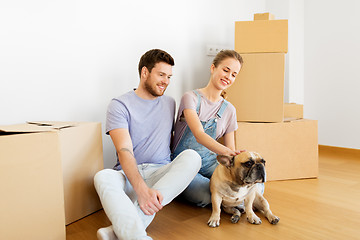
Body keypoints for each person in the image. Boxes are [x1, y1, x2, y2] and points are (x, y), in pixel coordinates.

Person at [94, 49, 201, 240]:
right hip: (128, 175)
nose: (166, 81)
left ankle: (119, 233)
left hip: (160, 175)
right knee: (102, 177)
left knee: (193, 157)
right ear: (145, 72)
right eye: (161, 75)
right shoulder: (119, 104)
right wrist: (141, 191)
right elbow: (123, 150)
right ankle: (134, 236)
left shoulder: (170, 103)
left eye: (169, 76)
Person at [172, 50, 263, 207]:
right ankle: (235, 202)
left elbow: (230, 149)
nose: (228, 77)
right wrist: (227, 152)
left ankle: (232, 202)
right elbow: (199, 134)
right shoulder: (191, 98)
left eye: (234, 74)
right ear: (213, 68)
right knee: (205, 196)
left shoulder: (229, 110)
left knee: (258, 185)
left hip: (210, 161)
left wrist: (237, 162)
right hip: (183, 162)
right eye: (226, 70)